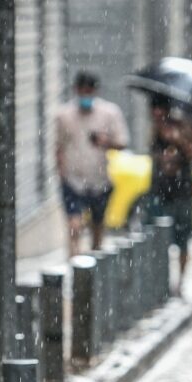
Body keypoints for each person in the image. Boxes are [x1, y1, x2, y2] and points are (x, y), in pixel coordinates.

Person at [56, 71, 128, 256]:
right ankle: (75, 259)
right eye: (82, 91)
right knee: (74, 223)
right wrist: (61, 173)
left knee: (97, 224)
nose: (85, 96)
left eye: (89, 91)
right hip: (73, 179)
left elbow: (122, 142)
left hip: (99, 179)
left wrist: (106, 142)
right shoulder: (64, 116)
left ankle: (95, 258)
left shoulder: (109, 113)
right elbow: (59, 146)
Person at [148, 103, 192, 291]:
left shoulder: (185, 127)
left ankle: (180, 282)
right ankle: (160, 283)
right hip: (160, 191)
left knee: (182, 239)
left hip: (182, 193)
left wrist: (179, 140)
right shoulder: (154, 130)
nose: (157, 114)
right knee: (157, 239)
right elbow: (154, 157)